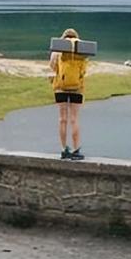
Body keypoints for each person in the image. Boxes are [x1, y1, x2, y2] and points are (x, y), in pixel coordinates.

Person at [50, 27, 88, 160]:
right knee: (74, 119)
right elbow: (84, 70)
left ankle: (63, 149)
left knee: (62, 119)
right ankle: (76, 150)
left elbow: (52, 66)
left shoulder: (58, 49)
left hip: (60, 87)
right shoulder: (81, 50)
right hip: (77, 88)